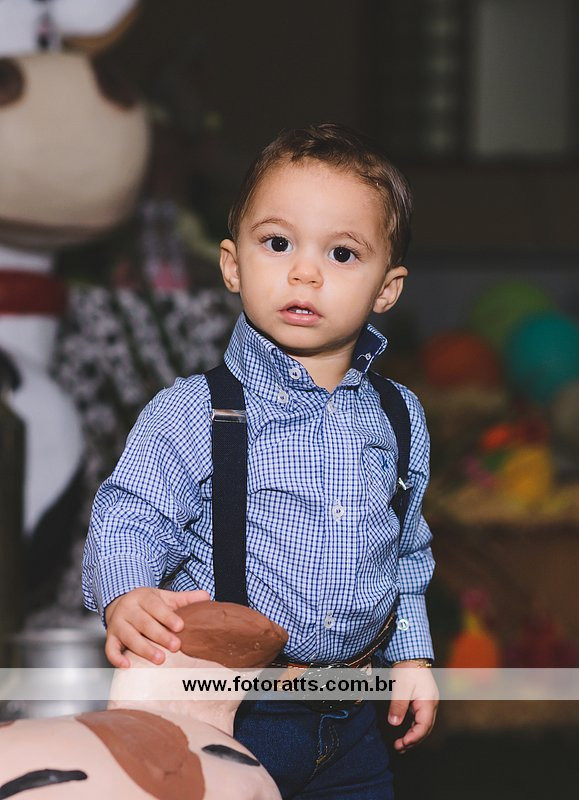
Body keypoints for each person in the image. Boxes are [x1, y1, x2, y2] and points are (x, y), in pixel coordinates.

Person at [82, 122, 438, 799]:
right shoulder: (195, 411)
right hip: (230, 709)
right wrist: (127, 593)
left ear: (386, 289)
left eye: (341, 253)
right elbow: (130, 515)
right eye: (278, 243)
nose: (304, 272)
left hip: (353, 717)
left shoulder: (399, 416)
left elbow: (406, 553)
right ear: (232, 264)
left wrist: (412, 656)